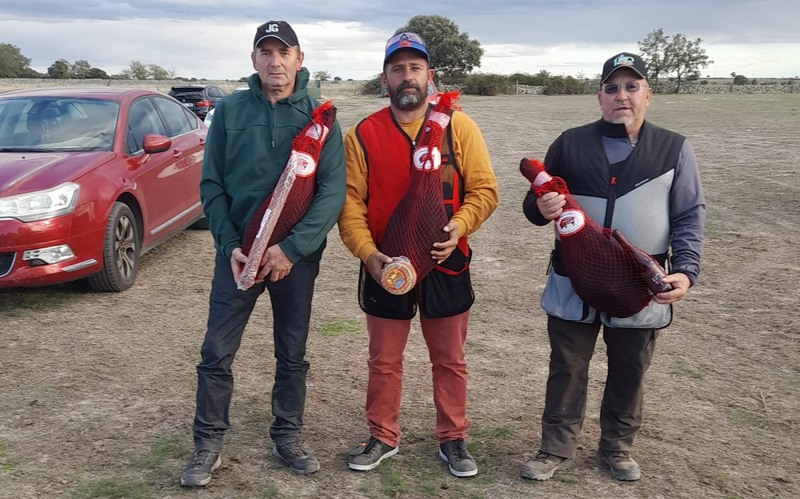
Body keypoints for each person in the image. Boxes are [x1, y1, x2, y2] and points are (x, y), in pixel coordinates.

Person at [520, 52, 706, 481]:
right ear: (599, 96)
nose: (621, 95)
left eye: (631, 86)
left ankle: (617, 448)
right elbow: (534, 204)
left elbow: (689, 214)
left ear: (648, 94)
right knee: (567, 366)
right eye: (612, 88)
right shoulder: (569, 143)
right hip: (573, 279)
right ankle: (555, 447)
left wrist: (686, 270)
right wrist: (540, 207)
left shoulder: (674, 148)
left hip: (641, 282)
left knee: (630, 368)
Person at [180, 20, 345, 487]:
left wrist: (291, 248)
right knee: (216, 351)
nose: (275, 62)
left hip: (295, 260)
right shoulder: (230, 111)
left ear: (299, 58)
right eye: (266, 53)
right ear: (253, 59)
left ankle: (287, 434)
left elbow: (332, 192)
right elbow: (212, 184)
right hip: (238, 256)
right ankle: (207, 442)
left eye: (283, 52)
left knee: (292, 352)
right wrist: (230, 245)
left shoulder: (321, 116)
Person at [337, 32, 499, 478]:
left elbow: (485, 190)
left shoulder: (457, 126)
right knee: (384, 360)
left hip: (447, 261)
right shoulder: (363, 134)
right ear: (385, 79)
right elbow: (350, 204)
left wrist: (459, 227)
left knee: (450, 359)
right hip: (386, 265)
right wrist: (368, 254)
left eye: (415, 68)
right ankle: (382, 435)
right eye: (397, 69)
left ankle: (453, 438)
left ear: (430, 75)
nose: (406, 76)